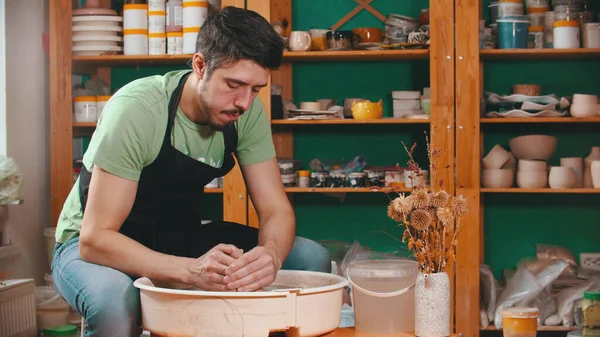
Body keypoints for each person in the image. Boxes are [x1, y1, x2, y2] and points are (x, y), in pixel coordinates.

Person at [51, 6, 331, 336]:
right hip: (95, 246)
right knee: (114, 302)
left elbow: (275, 211)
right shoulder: (137, 110)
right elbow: (95, 240)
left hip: (177, 236)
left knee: (310, 258)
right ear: (200, 65)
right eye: (234, 84)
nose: (244, 102)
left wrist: (269, 256)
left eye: (256, 89)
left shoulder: (244, 112)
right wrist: (191, 270)